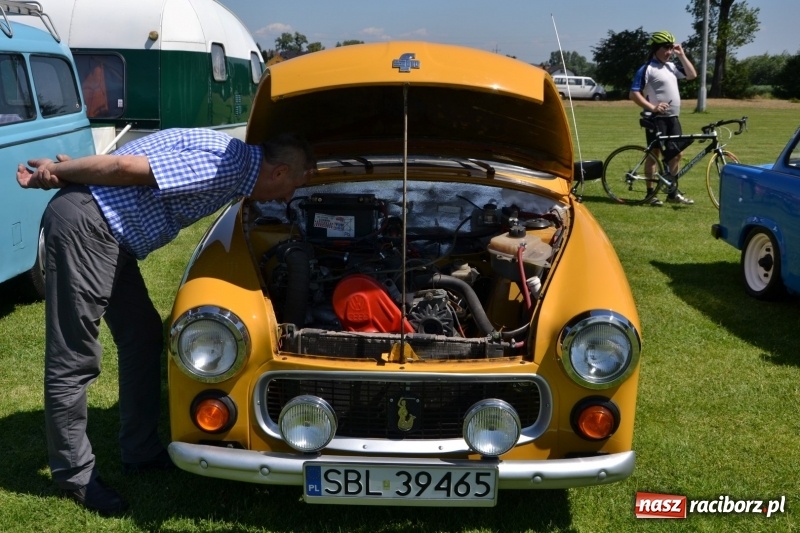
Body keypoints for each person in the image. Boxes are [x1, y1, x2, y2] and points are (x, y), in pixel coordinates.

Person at [16, 129, 315, 516]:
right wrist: (59, 173)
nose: (289, 197)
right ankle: (75, 475)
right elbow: (125, 166)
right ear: (278, 172)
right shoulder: (226, 167)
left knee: (142, 336)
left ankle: (140, 452)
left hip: (110, 232)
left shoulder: (233, 155)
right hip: (91, 227)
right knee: (74, 356)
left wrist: (61, 168)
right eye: (294, 184)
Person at [629, 30, 697, 206]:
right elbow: (633, 93)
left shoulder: (671, 66)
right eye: (666, 48)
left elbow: (691, 75)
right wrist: (653, 107)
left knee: (677, 154)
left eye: (671, 48)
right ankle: (651, 194)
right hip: (656, 119)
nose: (669, 51)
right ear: (655, 49)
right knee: (654, 155)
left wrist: (681, 55)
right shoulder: (647, 69)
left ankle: (672, 192)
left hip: (673, 118)